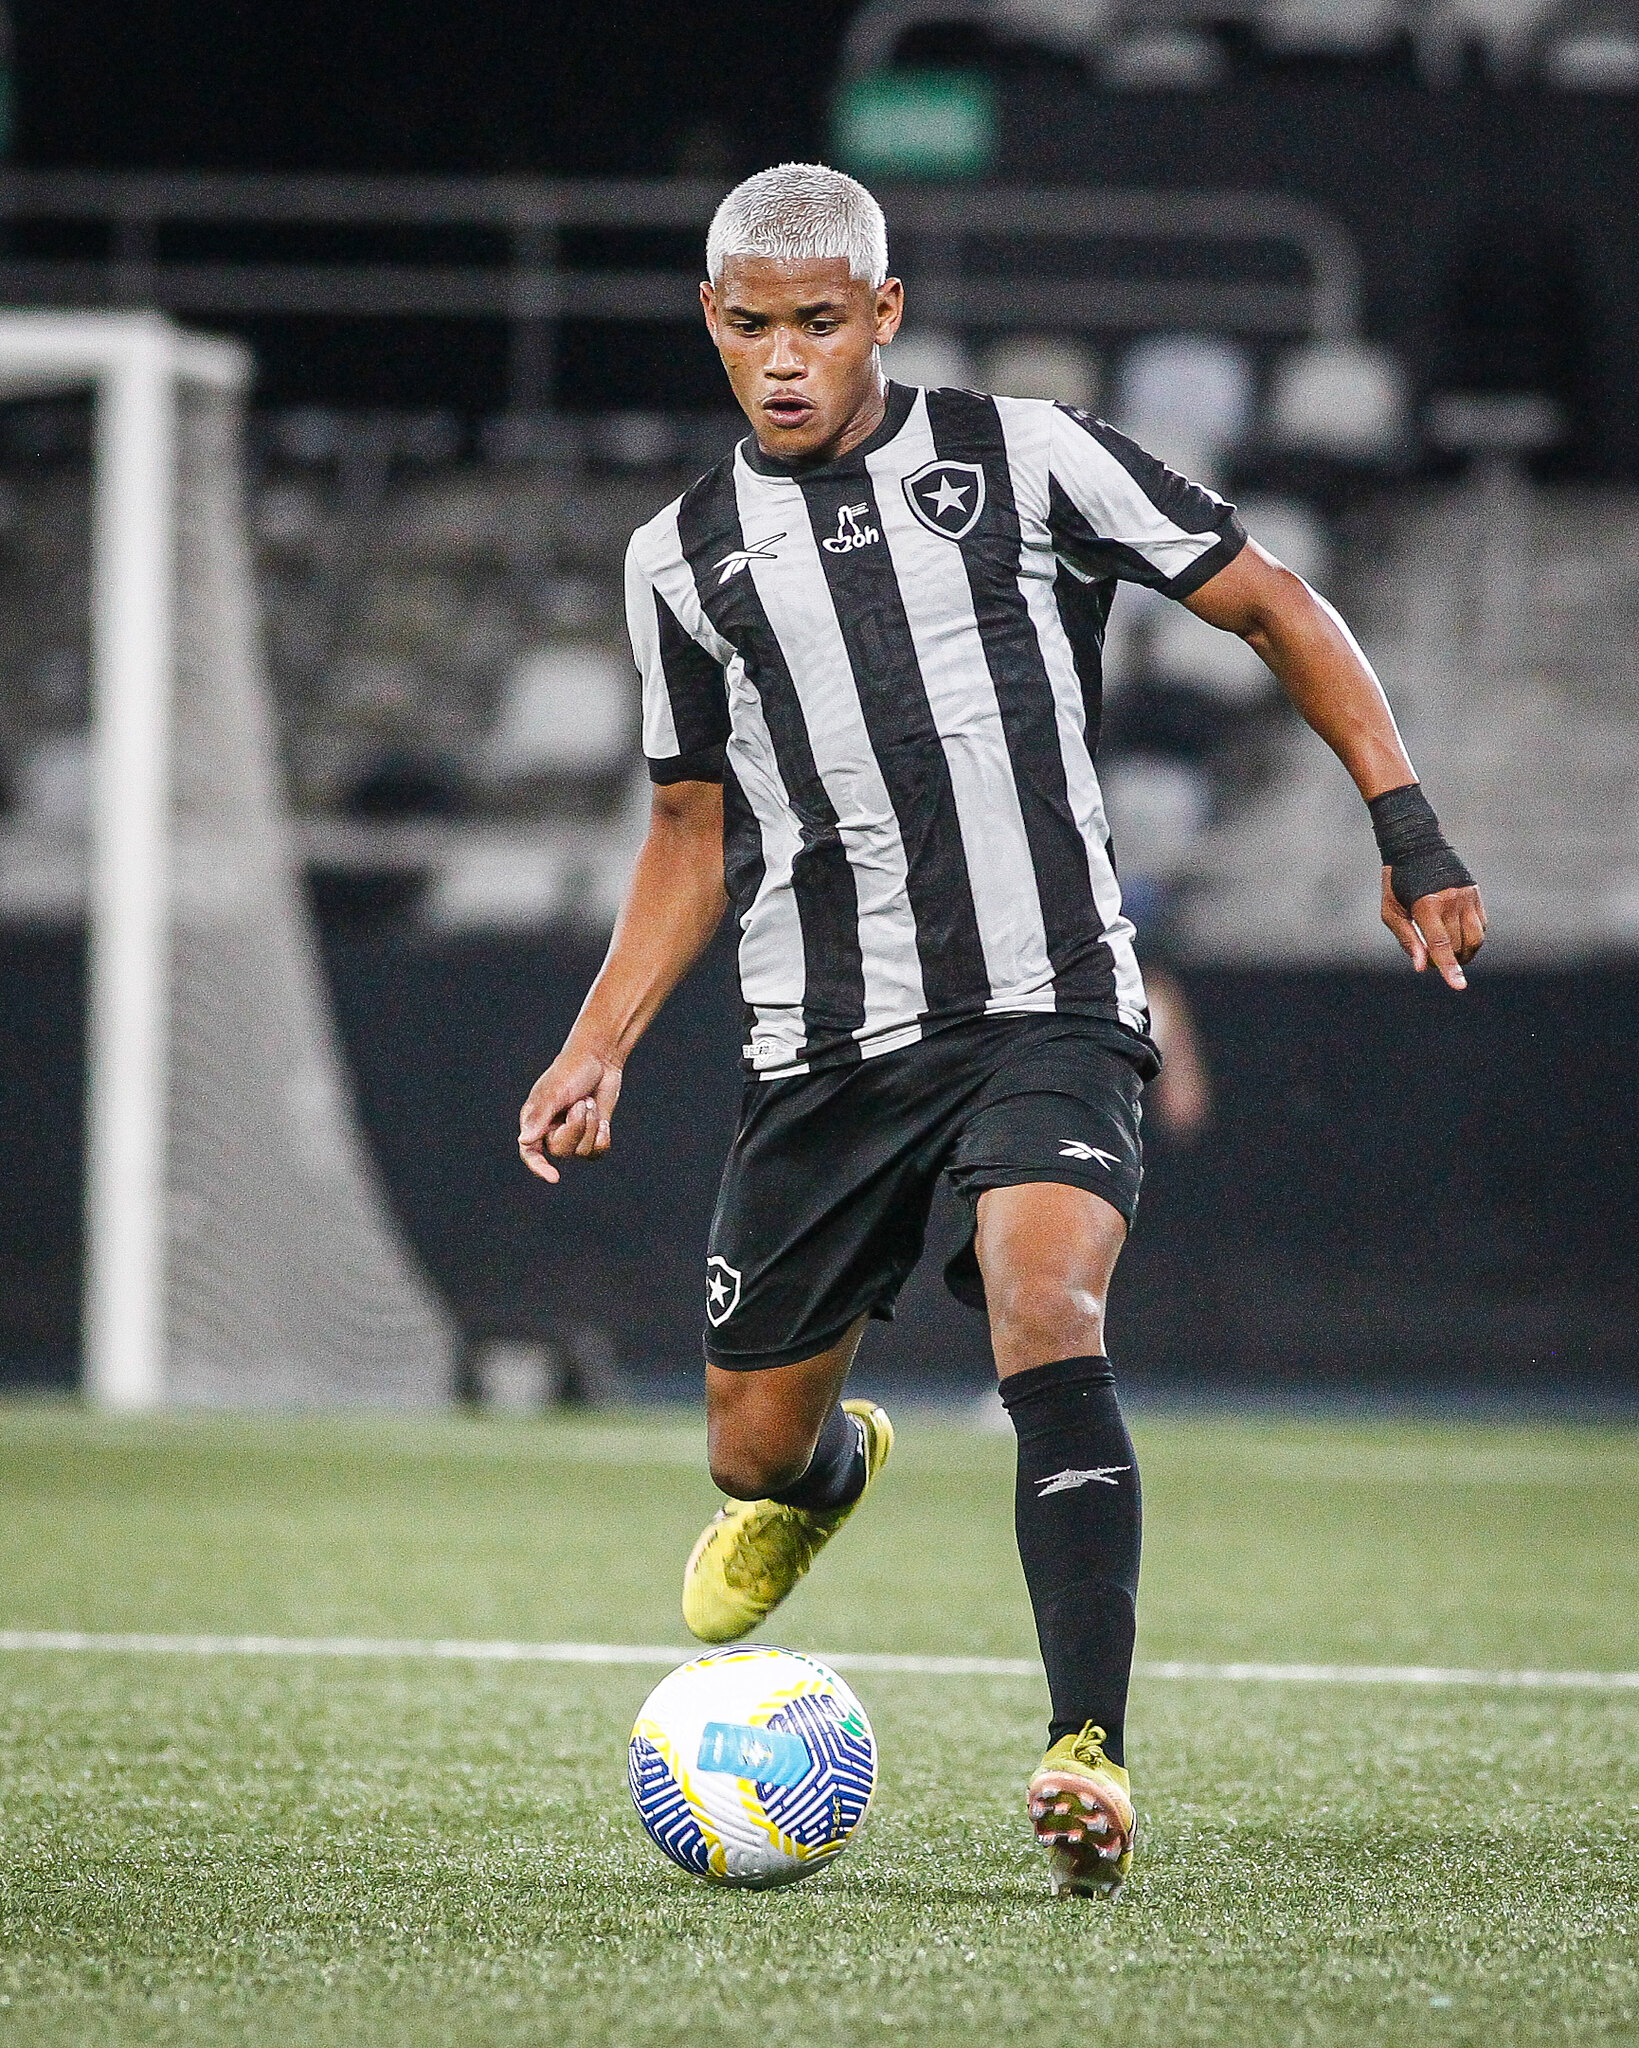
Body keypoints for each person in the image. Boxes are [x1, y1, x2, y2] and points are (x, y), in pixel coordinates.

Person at [518, 163, 1485, 1899]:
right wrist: (598, 1041)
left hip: (1052, 1002)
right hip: (822, 1044)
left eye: (821, 323)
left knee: (1048, 1305)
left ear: (884, 313)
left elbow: (1274, 601)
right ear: (713, 328)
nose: (787, 360)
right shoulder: (682, 558)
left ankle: (1086, 1752)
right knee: (746, 1444)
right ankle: (823, 1477)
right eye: (752, 328)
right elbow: (687, 832)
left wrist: (1404, 825)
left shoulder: (1028, 455)